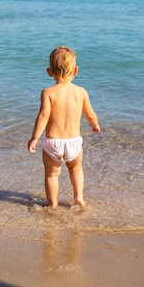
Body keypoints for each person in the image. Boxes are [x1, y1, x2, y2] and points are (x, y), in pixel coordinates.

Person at [28, 46, 100, 208]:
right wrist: (94, 124)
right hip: (74, 142)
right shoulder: (81, 92)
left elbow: (43, 116)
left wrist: (34, 138)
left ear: (49, 71)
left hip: (53, 143)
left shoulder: (48, 92)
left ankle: (52, 204)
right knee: (76, 168)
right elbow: (90, 113)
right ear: (75, 70)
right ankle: (78, 197)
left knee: (52, 175)